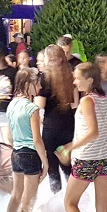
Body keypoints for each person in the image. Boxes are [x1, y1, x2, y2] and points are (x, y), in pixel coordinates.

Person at [56, 63, 107, 212]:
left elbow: (93, 132)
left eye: (78, 78)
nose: (74, 82)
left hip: (87, 159)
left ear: (90, 80)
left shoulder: (86, 101)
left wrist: (69, 147)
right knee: (103, 211)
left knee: (70, 203)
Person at [5, 67, 48, 212]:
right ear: (28, 84)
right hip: (30, 154)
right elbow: (37, 140)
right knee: (29, 200)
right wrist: (46, 163)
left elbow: (9, 136)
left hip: (16, 153)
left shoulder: (12, 105)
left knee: (16, 195)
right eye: (37, 83)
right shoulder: (32, 108)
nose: (40, 87)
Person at [36, 45, 77, 193]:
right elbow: (75, 104)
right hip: (69, 123)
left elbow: (40, 105)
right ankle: (73, 195)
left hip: (51, 125)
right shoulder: (71, 75)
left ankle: (56, 196)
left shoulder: (45, 78)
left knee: (52, 166)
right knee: (67, 164)